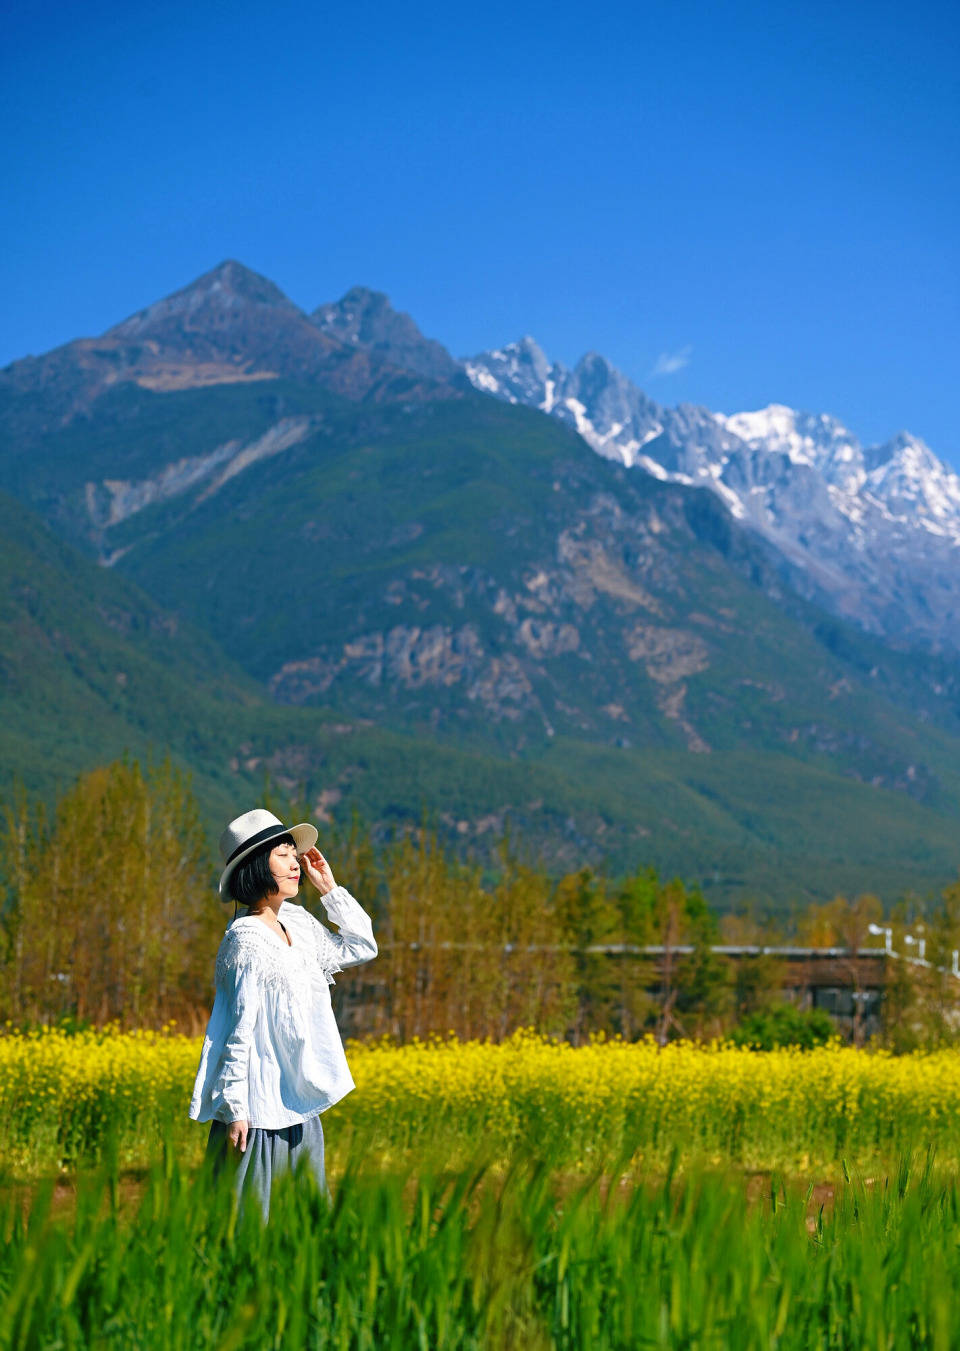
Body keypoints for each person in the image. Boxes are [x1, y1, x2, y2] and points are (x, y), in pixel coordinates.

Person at [189, 808, 378, 1219]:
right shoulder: (247, 940)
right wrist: (236, 1109)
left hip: (297, 1105)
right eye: (283, 854)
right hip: (256, 1117)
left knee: (305, 1231)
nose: (296, 863)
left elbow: (362, 946)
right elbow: (239, 1031)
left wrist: (330, 889)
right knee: (248, 1227)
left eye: (295, 854)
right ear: (257, 866)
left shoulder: (296, 923)